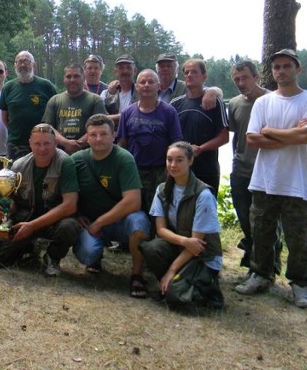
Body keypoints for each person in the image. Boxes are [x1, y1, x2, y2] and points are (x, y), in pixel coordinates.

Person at [235, 49, 307, 309]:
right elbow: (252, 139)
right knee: (261, 231)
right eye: (276, 67)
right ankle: (261, 274)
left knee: (298, 235)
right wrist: (292, 133)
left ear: (298, 69)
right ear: (271, 72)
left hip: (297, 180)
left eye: (286, 66)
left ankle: (301, 284)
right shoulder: (263, 102)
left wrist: (271, 131)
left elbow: (306, 136)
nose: (281, 71)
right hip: (264, 180)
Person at [0, 123, 80, 276]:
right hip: (24, 219)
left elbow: (70, 205)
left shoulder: (65, 163)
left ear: (55, 143)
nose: (42, 149)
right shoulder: (19, 165)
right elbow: (11, 199)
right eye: (37, 144)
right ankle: (29, 249)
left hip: (52, 222)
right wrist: (7, 207)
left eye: (47, 143)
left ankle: (52, 258)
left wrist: (32, 226)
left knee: (70, 226)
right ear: (30, 143)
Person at [72, 114, 151, 298]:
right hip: (91, 221)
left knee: (138, 224)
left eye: (103, 134)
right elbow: (65, 193)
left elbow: (133, 201)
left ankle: (137, 275)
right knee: (86, 255)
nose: (98, 139)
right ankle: (96, 257)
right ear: (87, 137)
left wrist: (99, 223)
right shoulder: (76, 160)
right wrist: (77, 214)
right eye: (93, 134)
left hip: (122, 220)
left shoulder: (124, 158)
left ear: (113, 135)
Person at [140, 141, 224, 308]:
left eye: (179, 160)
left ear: (190, 161)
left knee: (177, 300)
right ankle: (175, 283)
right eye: (169, 159)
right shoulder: (162, 190)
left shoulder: (203, 194)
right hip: (182, 246)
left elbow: (196, 246)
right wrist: (184, 241)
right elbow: (161, 230)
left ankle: (206, 287)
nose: (173, 165)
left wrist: (171, 270)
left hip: (202, 256)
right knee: (151, 248)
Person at [228, 60, 282, 273]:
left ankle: (269, 267)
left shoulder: (273, 100)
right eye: (236, 79)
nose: (241, 83)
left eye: (245, 78)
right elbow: (236, 136)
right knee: (245, 219)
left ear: (256, 76)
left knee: (267, 223)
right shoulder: (234, 103)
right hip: (241, 171)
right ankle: (254, 262)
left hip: (267, 172)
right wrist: (236, 159)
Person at [116, 69, 182, 217]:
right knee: (137, 210)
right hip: (135, 170)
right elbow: (121, 142)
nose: (147, 85)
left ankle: (160, 238)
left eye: (151, 82)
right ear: (137, 86)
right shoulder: (127, 113)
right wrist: (121, 170)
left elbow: (176, 143)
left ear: (158, 86)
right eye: (143, 82)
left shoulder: (169, 111)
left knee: (161, 210)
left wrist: (171, 169)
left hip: (161, 171)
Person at [170, 59, 229, 196]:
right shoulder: (175, 104)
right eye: (186, 72)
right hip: (179, 170)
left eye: (194, 72)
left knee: (206, 211)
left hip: (206, 170)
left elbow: (224, 137)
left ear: (204, 76)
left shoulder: (215, 103)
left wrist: (200, 148)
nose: (189, 75)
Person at [0, 51, 57, 160]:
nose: (22, 65)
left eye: (26, 61)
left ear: (34, 65)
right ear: (15, 65)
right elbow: (4, 117)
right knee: (16, 176)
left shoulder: (46, 86)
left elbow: (56, 112)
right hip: (16, 144)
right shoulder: (8, 87)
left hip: (43, 144)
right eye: (19, 62)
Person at [43, 63, 107, 155]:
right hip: (60, 154)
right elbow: (48, 127)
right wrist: (66, 143)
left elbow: (100, 127)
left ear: (83, 78)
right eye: (68, 77)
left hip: (89, 154)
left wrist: (76, 146)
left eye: (76, 76)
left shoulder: (95, 100)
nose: (72, 80)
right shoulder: (54, 101)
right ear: (64, 79)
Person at [155, 53, 222, 110]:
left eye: (169, 66)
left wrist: (211, 92)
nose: (165, 69)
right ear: (157, 70)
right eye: (162, 66)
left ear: (176, 70)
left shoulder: (185, 87)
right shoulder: (151, 89)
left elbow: (215, 91)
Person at [101, 54, 139, 127]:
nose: (125, 71)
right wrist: (129, 115)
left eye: (128, 68)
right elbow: (100, 118)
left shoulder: (142, 93)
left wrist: (114, 118)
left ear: (134, 71)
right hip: (112, 136)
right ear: (115, 71)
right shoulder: (106, 94)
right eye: (121, 68)